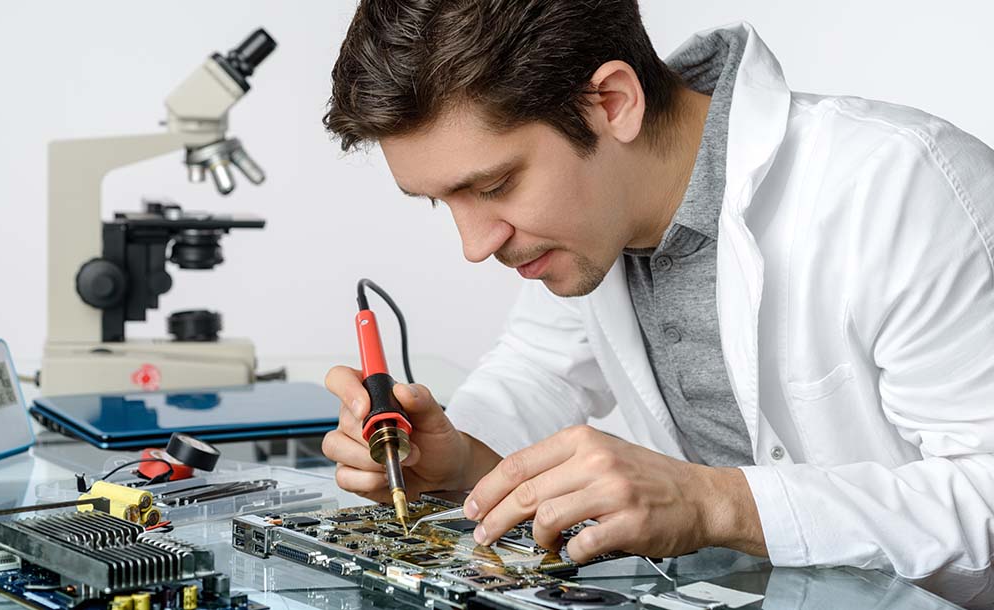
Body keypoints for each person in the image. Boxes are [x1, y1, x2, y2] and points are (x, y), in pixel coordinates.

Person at [318, 1, 994, 605]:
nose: (474, 244)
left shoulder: (902, 188)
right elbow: (538, 368)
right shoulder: (592, 229)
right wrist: (457, 456)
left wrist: (716, 503)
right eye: (443, 201)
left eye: (493, 186)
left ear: (612, 103)